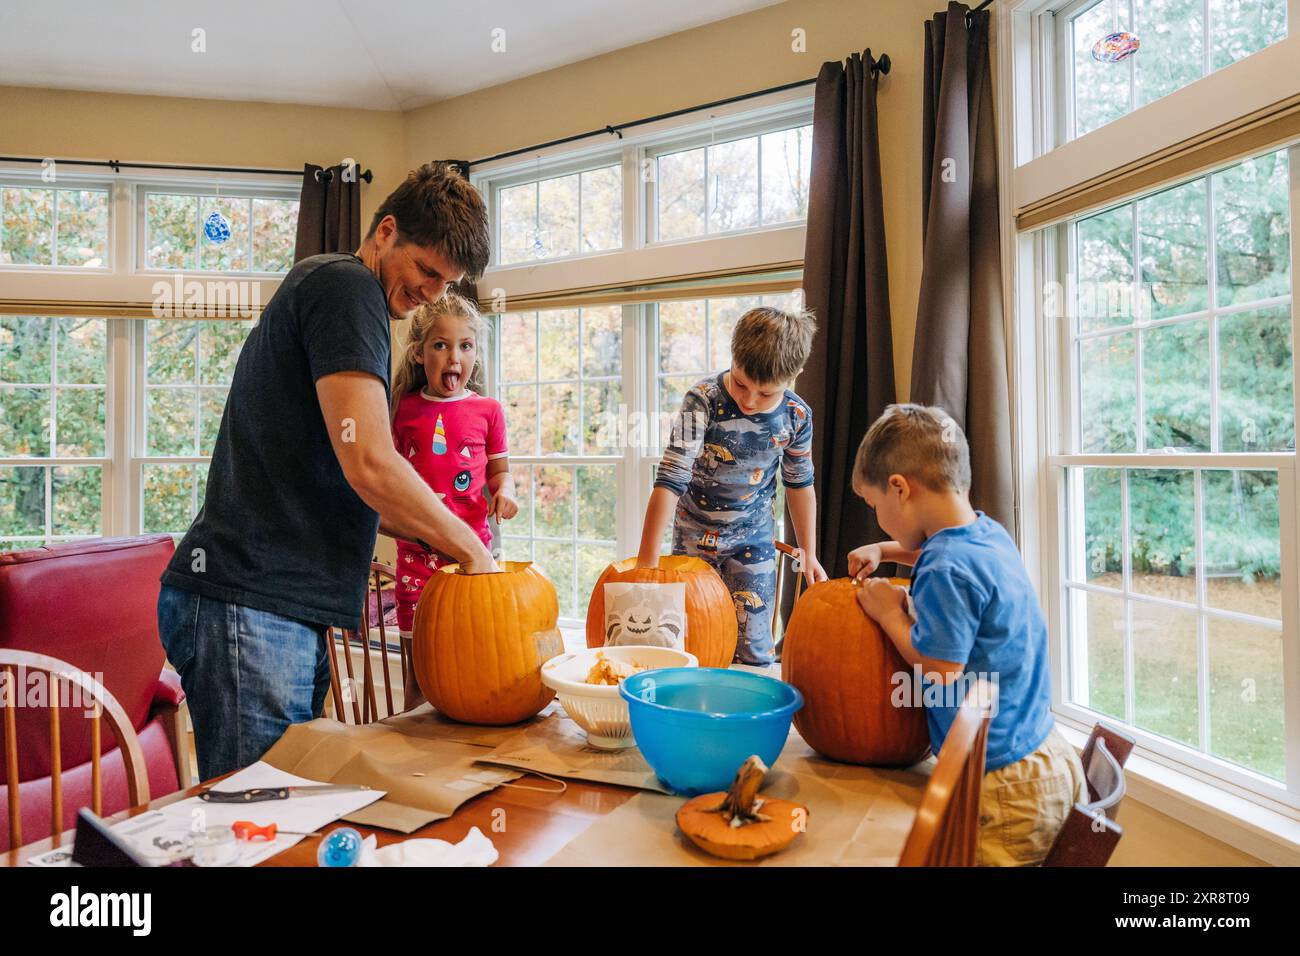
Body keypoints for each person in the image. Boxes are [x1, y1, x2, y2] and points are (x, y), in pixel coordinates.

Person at [157, 162, 498, 780]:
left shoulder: (341, 293)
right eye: (425, 270)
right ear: (386, 231)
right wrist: (475, 552)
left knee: (283, 818)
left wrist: (433, 537)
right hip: (253, 604)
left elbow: (361, 482)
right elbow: (370, 460)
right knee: (255, 830)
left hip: (281, 609)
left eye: (443, 284)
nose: (429, 293)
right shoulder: (347, 289)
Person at [848, 403, 1086, 866]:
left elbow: (939, 669)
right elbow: (952, 565)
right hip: (1040, 754)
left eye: (875, 507)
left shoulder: (946, 567)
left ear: (899, 488)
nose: (878, 518)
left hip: (1002, 787)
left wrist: (887, 612)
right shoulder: (987, 533)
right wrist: (886, 548)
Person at [635, 306, 828, 666]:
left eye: (765, 393)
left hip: (753, 540)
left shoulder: (797, 416)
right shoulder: (703, 400)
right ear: (733, 358)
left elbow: (800, 484)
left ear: (794, 376)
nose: (750, 400)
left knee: (755, 650)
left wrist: (810, 551)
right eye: (741, 384)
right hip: (693, 538)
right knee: (690, 644)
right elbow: (671, 478)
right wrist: (646, 562)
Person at [389, 290, 518, 638]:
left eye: (465, 346)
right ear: (419, 352)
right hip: (416, 556)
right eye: (440, 345)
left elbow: (500, 473)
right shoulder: (402, 409)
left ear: (476, 352)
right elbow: (388, 477)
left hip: (472, 551)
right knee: (418, 653)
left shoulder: (488, 411)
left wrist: (506, 491)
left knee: (471, 649)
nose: (453, 357)